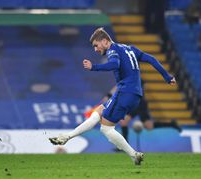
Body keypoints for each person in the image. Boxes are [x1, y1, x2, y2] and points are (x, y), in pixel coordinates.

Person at [49, 27, 176, 165]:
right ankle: (67, 136)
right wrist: (167, 77)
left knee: (106, 128)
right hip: (136, 95)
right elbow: (151, 59)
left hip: (125, 92)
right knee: (99, 111)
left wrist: (94, 67)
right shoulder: (130, 49)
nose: (96, 49)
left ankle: (134, 155)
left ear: (104, 41)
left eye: (96, 45)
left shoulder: (113, 50)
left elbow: (114, 64)